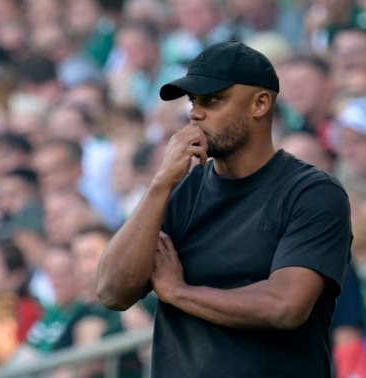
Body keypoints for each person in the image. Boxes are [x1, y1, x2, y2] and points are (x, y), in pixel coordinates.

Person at [97, 41, 352, 377]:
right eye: (193, 101)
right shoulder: (179, 190)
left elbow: (285, 305)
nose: (194, 113)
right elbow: (112, 290)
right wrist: (159, 184)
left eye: (212, 100)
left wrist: (179, 293)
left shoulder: (312, 193)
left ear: (260, 103)